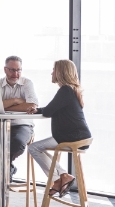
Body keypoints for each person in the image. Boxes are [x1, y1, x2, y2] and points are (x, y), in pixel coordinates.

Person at [27, 59, 91, 198]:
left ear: (61, 72)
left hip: (72, 137)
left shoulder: (65, 90)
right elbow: (52, 109)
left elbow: (49, 111)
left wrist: (39, 110)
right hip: (79, 135)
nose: (51, 73)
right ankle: (63, 175)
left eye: (54, 70)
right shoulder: (71, 90)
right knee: (40, 148)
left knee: (33, 148)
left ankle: (57, 180)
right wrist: (37, 110)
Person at [0, 55, 39, 182]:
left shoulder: (27, 83)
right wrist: (16, 101)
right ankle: (8, 168)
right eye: (12, 70)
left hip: (23, 125)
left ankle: (2, 169)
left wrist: (4, 105)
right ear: (5, 69)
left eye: (18, 70)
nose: (16, 74)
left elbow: (32, 106)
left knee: (17, 144)